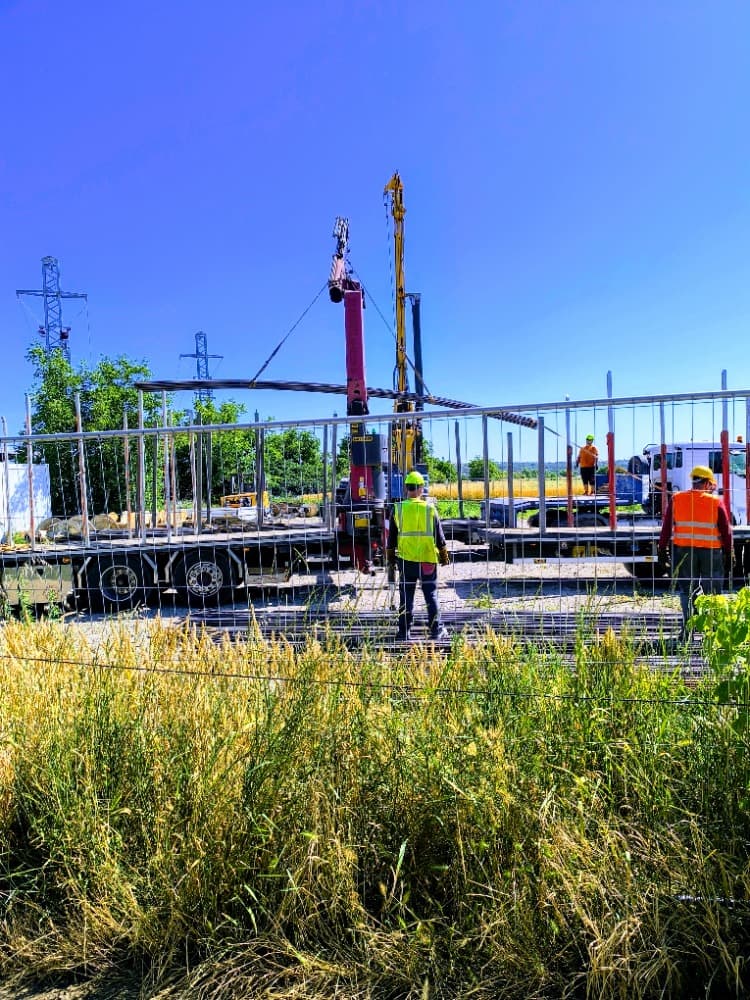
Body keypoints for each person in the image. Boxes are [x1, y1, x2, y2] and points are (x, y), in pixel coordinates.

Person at [658, 465, 732, 639]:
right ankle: (713, 632)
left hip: (684, 551)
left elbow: (666, 527)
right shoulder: (715, 502)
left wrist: (661, 549)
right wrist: (729, 553)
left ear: (693, 481)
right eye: (711, 485)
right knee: (712, 592)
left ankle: (687, 631)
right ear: (707, 483)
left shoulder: (677, 499)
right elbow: (726, 531)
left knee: (687, 591)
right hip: (710, 552)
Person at [387, 470, 450, 641]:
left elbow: (391, 539)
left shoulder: (398, 509)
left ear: (406, 488)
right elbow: (440, 538)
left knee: (406, 597)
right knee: (431, 595)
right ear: (421, 488)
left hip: (406, 561)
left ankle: (403, 632)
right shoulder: (430, 509)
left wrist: (391, 560)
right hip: (427, 561)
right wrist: (444, 557)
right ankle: (436, 631)